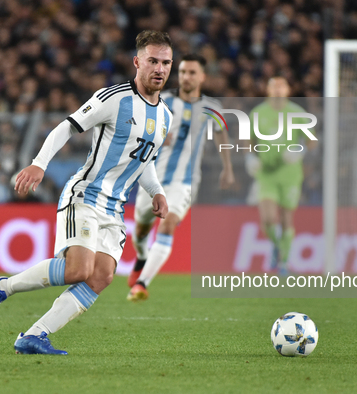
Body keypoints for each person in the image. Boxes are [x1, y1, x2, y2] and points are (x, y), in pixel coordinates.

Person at [0, 30, 174, 355]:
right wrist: (39, 164)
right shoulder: (114, 98)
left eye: (165, 62)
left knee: (102, 276)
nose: (159, 69)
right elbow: (67, 125)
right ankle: (1, 287)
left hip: (115, 208)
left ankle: (34, 335)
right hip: (86, 195)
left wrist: (157, 191)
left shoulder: (165, 116)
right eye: (152, 61)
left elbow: (143, 161)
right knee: (78, 268)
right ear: (137, 62)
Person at [127, 54, 235, 301]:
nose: (186, 77)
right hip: (151, 177)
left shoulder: (212, 108)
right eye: (183, 72)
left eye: (192, 73)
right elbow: (139, 128)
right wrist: (158, 138)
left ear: (202, 77)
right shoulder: (161, 100)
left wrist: (227, 168)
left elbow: (220, 134)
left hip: (184, 182)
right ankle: (142, 258)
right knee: (141, 230)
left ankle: (142, 284)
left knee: (168, 223)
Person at [246, 76, 313, 274]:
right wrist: (250, 157)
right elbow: (248, 139)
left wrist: (300, 150)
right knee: (267, 219)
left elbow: (311, 139)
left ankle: (284, 262)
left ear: (288, 90)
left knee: (285, 218)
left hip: (290, 173)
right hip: (266, 172)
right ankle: (277, 245)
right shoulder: (258, 113)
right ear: (267, 90)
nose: (277, 90)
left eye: (281, 86)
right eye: (273, 86)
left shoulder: (297, 112)